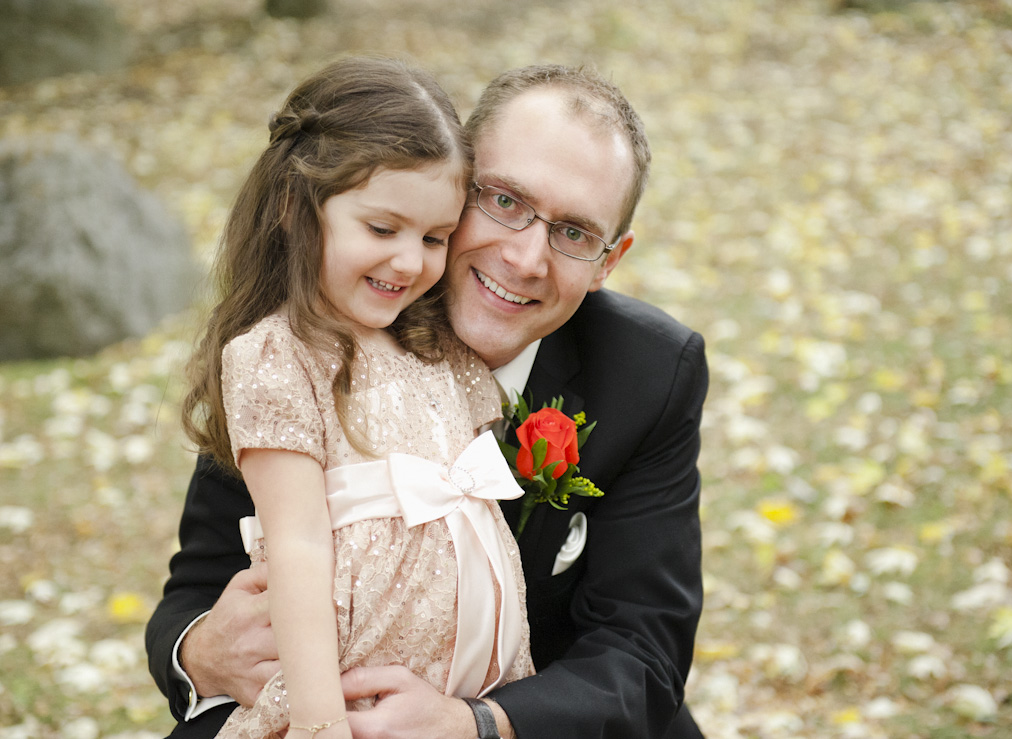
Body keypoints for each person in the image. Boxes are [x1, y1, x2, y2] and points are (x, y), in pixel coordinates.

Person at [147, 63, 709, 739]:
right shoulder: (324, 330)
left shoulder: (649, 371)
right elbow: (198, 583)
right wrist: (203, 653)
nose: (526, 257)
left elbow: (643, 650)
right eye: (504, 201)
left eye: (573, 233)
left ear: (607, 262)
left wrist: (474, 723)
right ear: (453, 180)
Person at [171, 56, 535, 739]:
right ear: (293, 207)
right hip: (345, 709)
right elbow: (299, 543)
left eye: (434, 238)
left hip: (461, 707)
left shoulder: (440, 352)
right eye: (381, 228)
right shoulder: (279, 355)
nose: (409, 261)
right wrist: (319, 724)